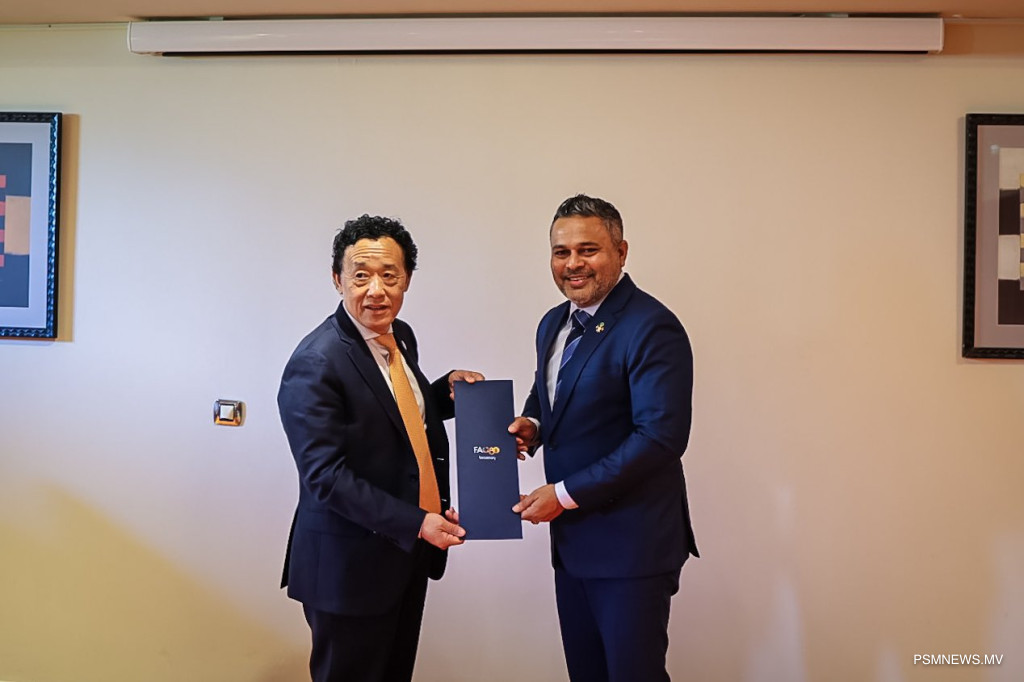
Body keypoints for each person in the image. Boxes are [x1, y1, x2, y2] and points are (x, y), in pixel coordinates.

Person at [278, 214, 482, 682]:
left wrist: (444, 393)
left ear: (406, 279)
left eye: (389, 275)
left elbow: (393, 414)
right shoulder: (316, 362)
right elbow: (325, 477)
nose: (376, 291)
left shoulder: (399, 335)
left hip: (404, 556)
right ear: (337, 279)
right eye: (361, 276)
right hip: (348, 568)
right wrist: (418, 522)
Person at [509, 194, 698, 682]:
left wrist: (563, 495)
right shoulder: (553, 323)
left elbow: (660, 438)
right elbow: (552, 392)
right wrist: (533, 424)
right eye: (561, 252)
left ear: (621, 251)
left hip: (631, 547)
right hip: (573, 546)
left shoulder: (651, 326)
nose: (573, 263)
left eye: (588, 250)